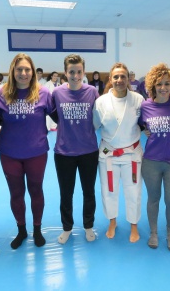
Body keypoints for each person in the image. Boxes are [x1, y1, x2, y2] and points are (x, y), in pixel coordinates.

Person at [0, 53, 52, 250]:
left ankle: (37, 229)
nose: (23, 73)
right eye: (19, 69)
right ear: (13, 71)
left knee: (36, 190)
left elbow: (59, 118)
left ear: (33, 72)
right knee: (16, 193)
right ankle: (21, 230)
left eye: (27, 69)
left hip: (36, 152)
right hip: (10, 153)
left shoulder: (43, 93)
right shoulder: (2, 94)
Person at [51, 54, 99, 244]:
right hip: (64, 153)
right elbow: (56, 117)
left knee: (89, 191)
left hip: (88, 151)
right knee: (66, 193)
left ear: (83, 72)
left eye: (79, 72)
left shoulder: (92, 92)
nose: (76, 75)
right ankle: (67, 227)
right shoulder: (57, 93)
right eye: (72, 72)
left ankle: (88, 225)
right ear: (65, 72)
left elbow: (98, 117)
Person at [93, 62, 144, 242]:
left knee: (133, 191)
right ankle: (112, 221)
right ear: (110, 79)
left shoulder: (138, 99)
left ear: (128, 78)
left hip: (132, 153)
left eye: (123, 76)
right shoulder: (100, 102)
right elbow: (92, 126)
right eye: (116, 77)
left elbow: (146, 123)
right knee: (109, 190)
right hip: (108, 154)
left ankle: (134, 225)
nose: (119, 80)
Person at [138, 63, 170, 251]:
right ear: (152, 86)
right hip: (151, 161)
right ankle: (154, 233)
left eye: (167, 84)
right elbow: (140, 124)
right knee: (153, 198)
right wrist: (144, 130)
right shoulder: (146, 106)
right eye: (159, 84)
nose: (163, 88)